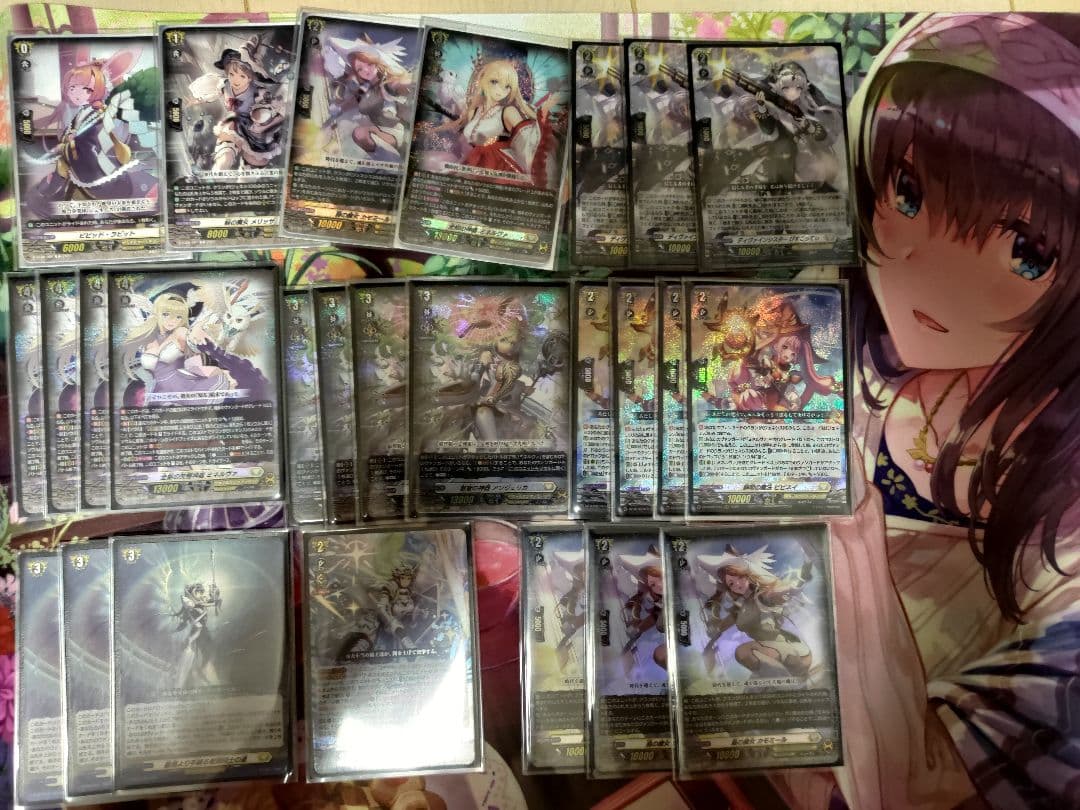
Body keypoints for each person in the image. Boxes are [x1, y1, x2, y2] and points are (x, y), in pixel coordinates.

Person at [775, 13, 1080, 809]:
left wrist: (839, 522)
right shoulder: (837, 325)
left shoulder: (1063, 488)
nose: (923, 266)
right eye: (907, 193)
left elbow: (916, 788)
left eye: (1026, 251)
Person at [25, 49, 156, 217]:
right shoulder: (82, 112)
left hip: (100, 168)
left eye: (86, 89)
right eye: (72, 88)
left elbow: (97, 138)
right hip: (86, 167)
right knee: (64, 169)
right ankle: (53, 192)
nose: (75, 93)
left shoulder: (105, 112)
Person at [701, 546, 814, 679]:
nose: (737, 584)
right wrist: (709, 645)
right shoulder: (740, 609)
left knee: (743, 652)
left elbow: (784, 591)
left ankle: (792, 678)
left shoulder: (763, 596)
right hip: (769, 654)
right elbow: (719, 628)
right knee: (752, 684)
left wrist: (800, 579)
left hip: (793, 653)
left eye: (739, 577)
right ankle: (784, 680)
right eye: (731, 583)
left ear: (747, 575)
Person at [439, 58, 554, 187]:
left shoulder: (508, 111)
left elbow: (527, 140)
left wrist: (543, 115)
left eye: (507, 86)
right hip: (473, 162)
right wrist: (431, 130)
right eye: (494, 82)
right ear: (483, 80)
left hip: (500, 166)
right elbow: (456, 125)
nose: (501, 90)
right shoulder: (474, 111)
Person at [188, 38, 286, 170]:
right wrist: (199, 100)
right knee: (227, 155)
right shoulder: (224, 85)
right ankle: (219, 170)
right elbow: (214, 92)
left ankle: (255, 50)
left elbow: (280, 111)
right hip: (237, 122)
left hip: (254, 126)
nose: (235, 80)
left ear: (249, 78)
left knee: (256, 160)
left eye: (242, 76)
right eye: (232, 74)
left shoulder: (258, 92)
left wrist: (263, 126)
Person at [323, 35, 412, 159]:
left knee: (361, 133)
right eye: (360, 69)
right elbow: (355, 100)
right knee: (359, 134)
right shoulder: (365, 87)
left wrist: (407, 82)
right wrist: (339, 109)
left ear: (375, 62)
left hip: (393, 132)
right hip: (376, 131)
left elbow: (402, 83)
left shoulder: (388, 83)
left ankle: (399, 153)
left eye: (369, 64)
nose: (366, 70)